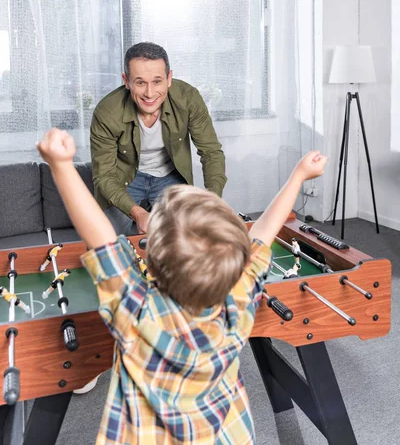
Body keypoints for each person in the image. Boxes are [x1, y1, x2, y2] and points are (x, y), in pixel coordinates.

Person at [37, 128, 327, 445]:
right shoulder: (239, 298)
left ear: (152, 259)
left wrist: (61, 166)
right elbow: (263, 233)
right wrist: (299, 176)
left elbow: (101, 239)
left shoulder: (137, 312)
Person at [90, 42, 227, 235]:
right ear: (126, 81)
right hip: (124, 179)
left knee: (184, 238)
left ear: (169, 78)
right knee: (103, 239)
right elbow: (103, 176)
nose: (149, 93)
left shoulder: (188, 99)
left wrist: (212, 200)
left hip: (169, 177)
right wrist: (138, 213)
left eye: (157, 81)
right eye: (140, 82)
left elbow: (211, 152)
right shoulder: (107, 112)